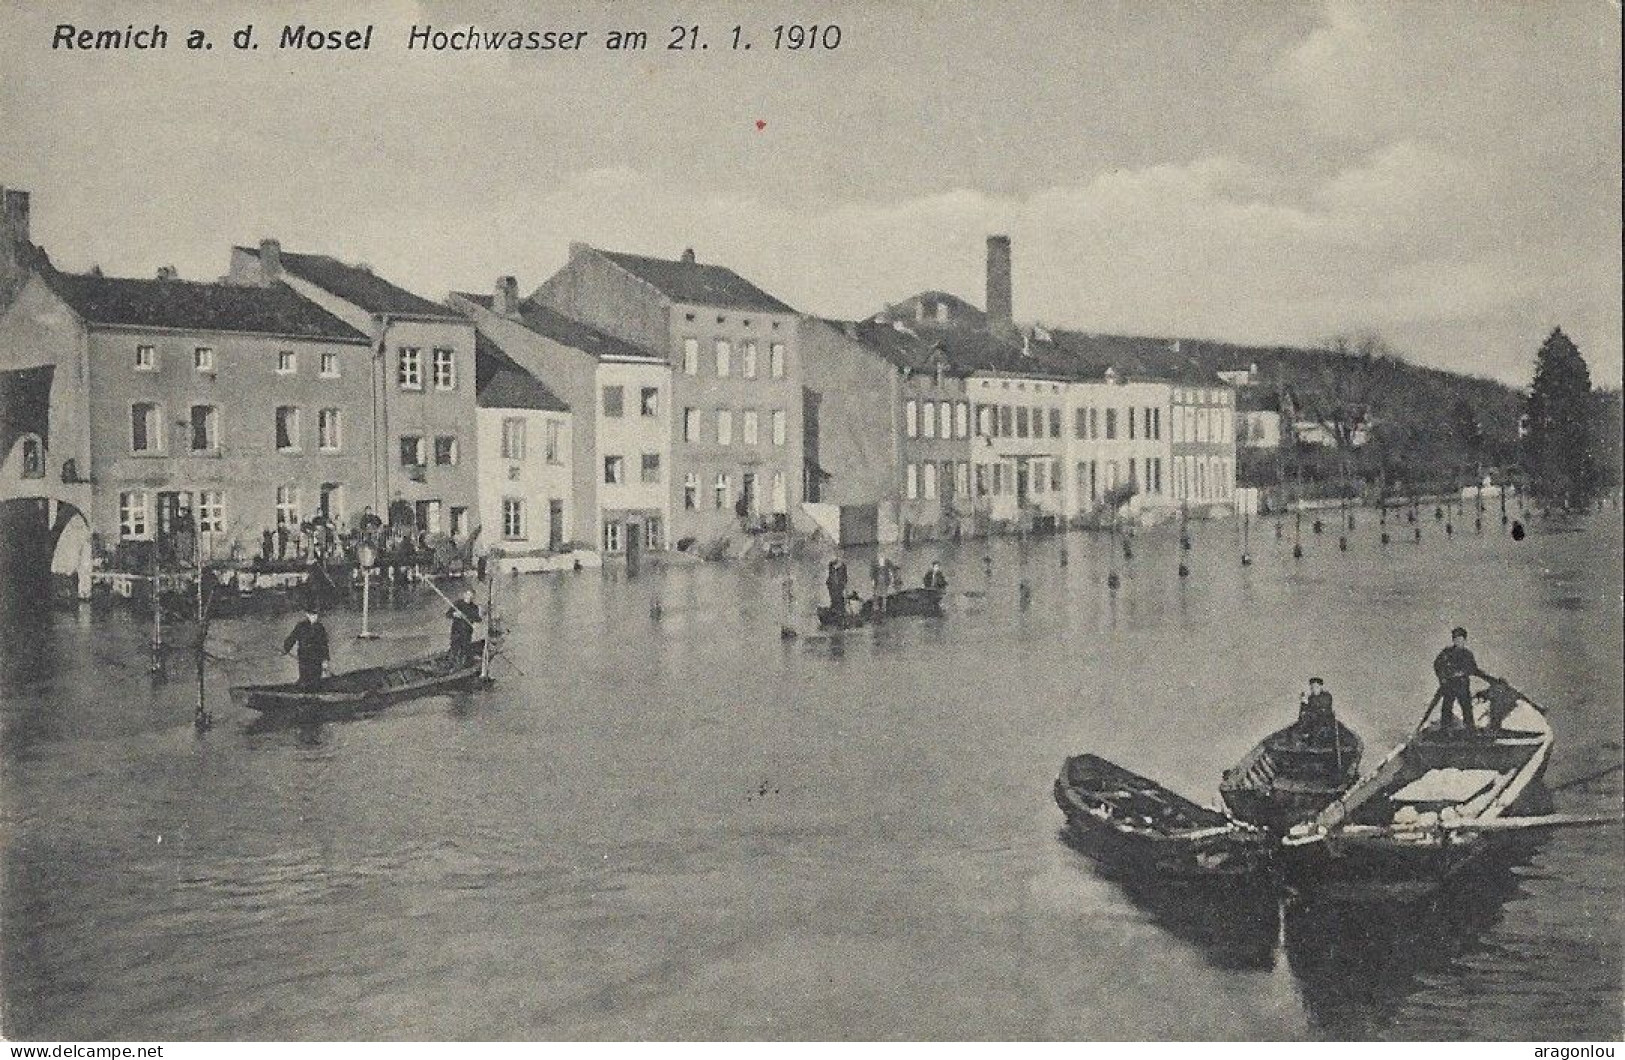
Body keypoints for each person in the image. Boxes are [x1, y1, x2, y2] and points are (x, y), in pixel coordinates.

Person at [1432, 626, 1498, 734]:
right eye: (1457, 639)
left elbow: (1474, 670)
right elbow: (1437, 666)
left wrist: (1490, 679)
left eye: (1461, 639)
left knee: (1467, 708)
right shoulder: (1446, 653)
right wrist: (1442, 678)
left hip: (1462, 686)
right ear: (1453, 640)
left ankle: (1470, 731)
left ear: (1465, 640)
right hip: (1449, 686)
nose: (1459, 641)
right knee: (1446, 708)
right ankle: (1445, 731)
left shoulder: (1468, 655)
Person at [282, 606, 331, 689]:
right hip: (304, 657)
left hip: (316, 658)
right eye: (312, 614)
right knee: (304, 677)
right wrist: (286, 648)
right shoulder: (301, 626)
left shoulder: (320, 627)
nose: (315, 617)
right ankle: (303, 691)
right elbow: (292, 638)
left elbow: (324, 644)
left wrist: (325, 660)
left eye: (316, 615)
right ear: (307, 615)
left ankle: (314, 692)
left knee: (316, 679)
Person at [446, 588, 482, 665]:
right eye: (468, 595)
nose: (469, 598)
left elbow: (478, 619)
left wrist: (471, 617)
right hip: (456, 631)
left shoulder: (474, 607)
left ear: (473, 597)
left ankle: (464, 664)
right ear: (464, 595)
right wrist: (454, 614)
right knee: (454, 648)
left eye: (472, 597)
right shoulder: (458, 604)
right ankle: (452, 664)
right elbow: (448, 614)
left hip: (467, 632)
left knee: (465, 649)